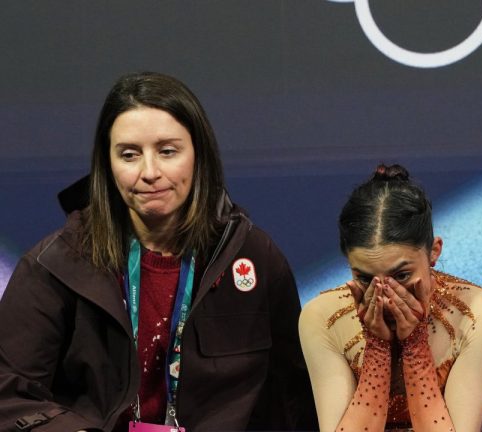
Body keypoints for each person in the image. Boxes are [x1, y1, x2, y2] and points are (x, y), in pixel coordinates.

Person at [0, 72, 317, 431]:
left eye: (168, 151)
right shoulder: (57, 264)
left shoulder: (253, 256)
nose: (149, 172)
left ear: (199, 155)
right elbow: (9, 393)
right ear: (107, 164)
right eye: (129, 155)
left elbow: (293, 396)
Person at [298, 164, 482, 431]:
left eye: (401, 276)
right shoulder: (322, 317)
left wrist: (415, 346)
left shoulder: (479, 316)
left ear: (434, 251)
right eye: (365, 278)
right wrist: (376, 348)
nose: (384, 296)